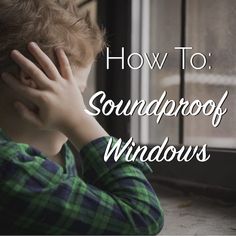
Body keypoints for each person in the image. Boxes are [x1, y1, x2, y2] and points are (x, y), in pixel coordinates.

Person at [0, 0, 164, 234]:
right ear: (33, 82)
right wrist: (78, 121)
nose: (78, 106)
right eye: (75, 93)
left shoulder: (38, 157)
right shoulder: (10, 168)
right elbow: (142, 215)